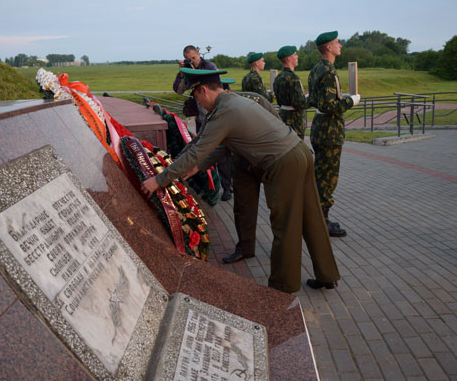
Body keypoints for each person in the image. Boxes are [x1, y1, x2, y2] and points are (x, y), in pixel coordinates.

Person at [142, 68, 341, 292]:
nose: (196, 101)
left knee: (285, 226)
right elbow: (200, 144)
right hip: (299, 153)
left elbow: (197, 150)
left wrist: (159, 180)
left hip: (283, 163)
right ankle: (327, 274)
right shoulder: (232, 102)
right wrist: (179, 165)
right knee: (312, 217)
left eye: (195, 96)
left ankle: (282, 289)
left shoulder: (224, 112)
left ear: (204, 91)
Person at [308, 31, 360, 238]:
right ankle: (322, 220)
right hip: (330, 131)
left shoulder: (315, 70)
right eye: (337, 43)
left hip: (320, 128)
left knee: (319, 175)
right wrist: (351, 101)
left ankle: (316, 217)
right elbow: (329, 105)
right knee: (327, 179)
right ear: (328, 47)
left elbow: (316, 100)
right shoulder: (329, 72)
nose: (340, 45)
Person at [222, 88, 281, 264]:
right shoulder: (221, 110)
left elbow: (278, 126)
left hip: (269, 161)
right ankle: (245, 249)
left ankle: (282, 251)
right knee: (243, 208)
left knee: (279, 209)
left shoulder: (256, 100)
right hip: (241, 163)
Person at [173, 45, 233, 201]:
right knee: (201, 153)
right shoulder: (187, 69)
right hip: (201, 118)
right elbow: (178, 91)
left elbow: (217, 89)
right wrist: (181, 73)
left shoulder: (210, 67)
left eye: (194, 58)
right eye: (188, 59)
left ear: (199, 54)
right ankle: (206, 187)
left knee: (221, 156)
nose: (192, 61)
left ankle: (227, 187)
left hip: (215, 116)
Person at [272, 46, 309, 139]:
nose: (297, 57)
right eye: (295, 55)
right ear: (288, 58)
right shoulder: (293, 78)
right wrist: (312, 99)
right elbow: (299, 103)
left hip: (283, 116)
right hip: (295, 120)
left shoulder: (278, 77)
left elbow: (279, 101)